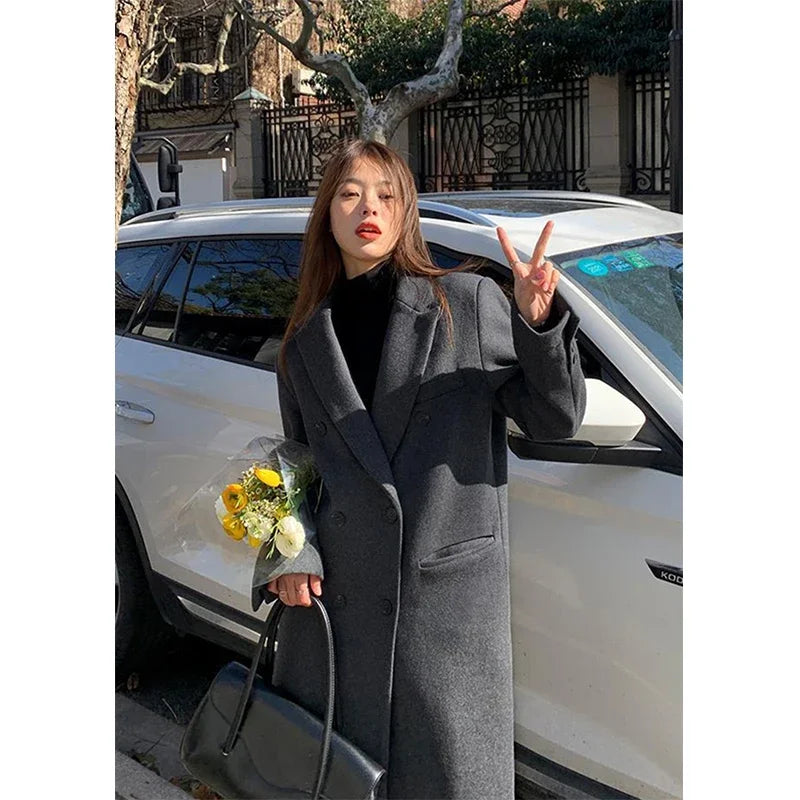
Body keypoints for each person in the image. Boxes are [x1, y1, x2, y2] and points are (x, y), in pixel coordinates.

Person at [263, 139, 586, 799]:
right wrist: (286, 553)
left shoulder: (462, 302)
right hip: (337, 613)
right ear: (327, 213)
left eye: (386, 194)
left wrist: (538, 322)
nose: (368, 208)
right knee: (342, 780)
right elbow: (294, 462)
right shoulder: (304, 340)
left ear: (406, 210)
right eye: (350, 193)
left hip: (439, 611)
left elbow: (556, 420)